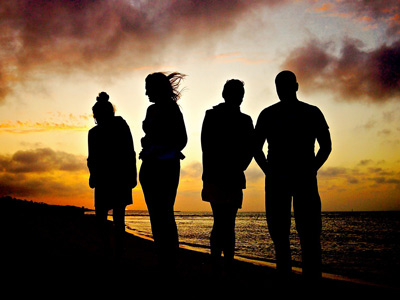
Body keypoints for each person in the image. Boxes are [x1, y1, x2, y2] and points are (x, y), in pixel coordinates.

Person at [254, 70, 332, 280]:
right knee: (301, 235)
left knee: (295, 235)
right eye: (281, 87)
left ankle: (292, 279)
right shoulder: (309, 112)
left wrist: (270, 171)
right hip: (292, 178)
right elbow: (326, 146)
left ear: (295, 87)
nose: (282, 91)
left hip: (289, 178)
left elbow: (326, 146)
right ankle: (303, 280)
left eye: (284, 86)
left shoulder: (270, 114)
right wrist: (311, 168)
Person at [201, 79, 254, 272]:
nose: (238, 98)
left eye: (239, 94)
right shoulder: (216, 116)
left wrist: (240, 166)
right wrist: (240, 166)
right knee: (225, 222)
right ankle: (223, 262)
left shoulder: (239, 119)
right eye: (236, 94)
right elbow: (206, 147)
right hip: (222, 176)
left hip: (226, 176)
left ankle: (221, 262)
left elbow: (250, 149)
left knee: (223, 222)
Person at [139, 72, 188, 269]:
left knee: (165, 214)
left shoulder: (173, 110)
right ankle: (162, 257)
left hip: (166, 167)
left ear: (157, 88)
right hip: (149, 167)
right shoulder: (151, 110)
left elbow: (182, 140)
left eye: (148, 88)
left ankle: (170, 260)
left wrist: (157, 145)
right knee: (155, 215)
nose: (145, 93)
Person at [87, 91, 137, 265]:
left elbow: (130, 153)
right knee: (114, 218)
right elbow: (92, 158)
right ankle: (113, 252)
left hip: (115, 178)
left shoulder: (116, 128)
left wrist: (132, 176)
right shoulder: (97, 132)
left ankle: (114, 253)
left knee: (110, 218)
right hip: (112, 179)